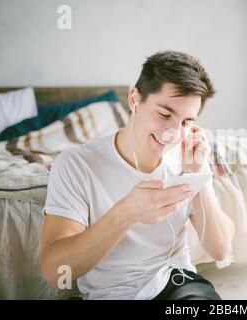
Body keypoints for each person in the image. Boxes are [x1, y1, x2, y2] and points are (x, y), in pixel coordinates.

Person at [41, 51, 235, 300]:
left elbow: (221, 250)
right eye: (165, 115)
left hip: (177, 284)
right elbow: (55, 273)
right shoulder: (76, 164)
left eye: (186, 122)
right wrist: (126, 212)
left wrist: (199, 175)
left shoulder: (188, 157)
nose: (172, 134)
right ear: (134, 99)